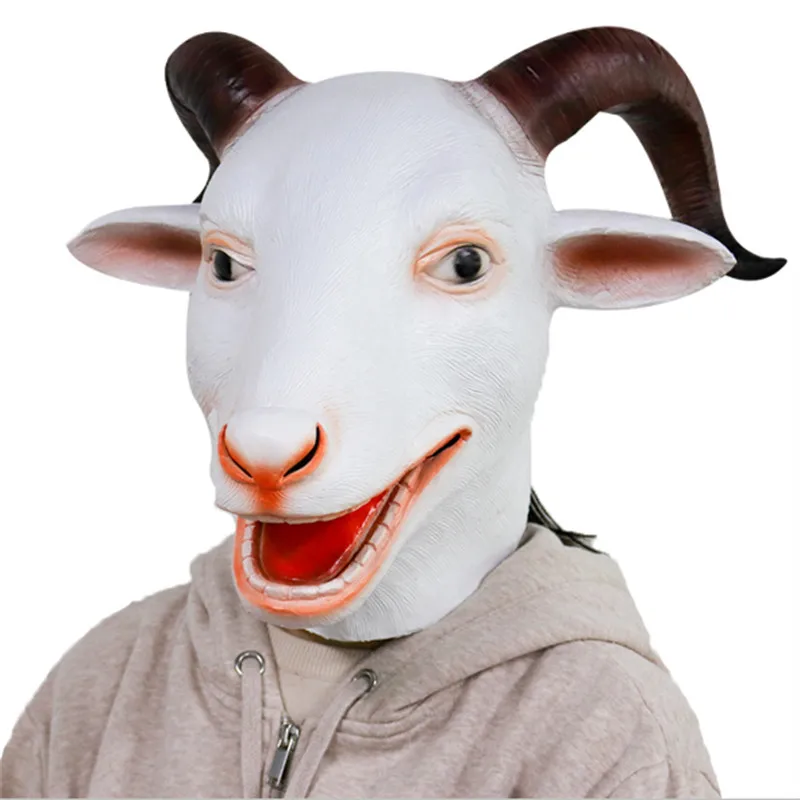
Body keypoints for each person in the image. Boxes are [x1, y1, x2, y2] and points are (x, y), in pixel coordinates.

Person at [1, 27, 785, 798]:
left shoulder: (606, 737)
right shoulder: (107, 685)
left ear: (606, 267)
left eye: (463, 265)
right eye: (227, 264)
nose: (273, 432)